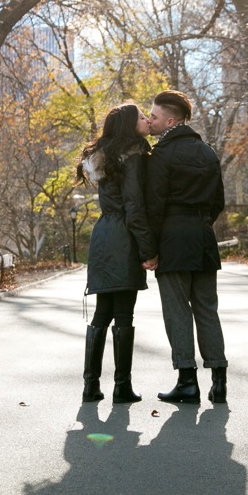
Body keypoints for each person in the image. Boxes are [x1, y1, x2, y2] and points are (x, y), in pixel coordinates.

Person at [143, 90, 228, 404]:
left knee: (177, 311)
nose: (149, 120)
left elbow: (153, 206)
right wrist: (201, 223)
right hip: (204, 237)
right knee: (207, 309)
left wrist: (149, 249)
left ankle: (187, 382)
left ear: (170, 120)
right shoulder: (207, 152)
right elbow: (218, 201)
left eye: (153, 116)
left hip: (172, 240)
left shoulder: (162, 155)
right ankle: (219, 382)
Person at [76, 103, 159, 404]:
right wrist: (148, 250)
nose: (146, 119)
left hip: (103, 236)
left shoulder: (104, 157)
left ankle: (90, 387)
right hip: (124, 237)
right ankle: (122, 387)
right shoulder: (133, 156)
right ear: (128, 125)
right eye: (140, 117)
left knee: (102, 313)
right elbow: (134, 206)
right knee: (123, 313)